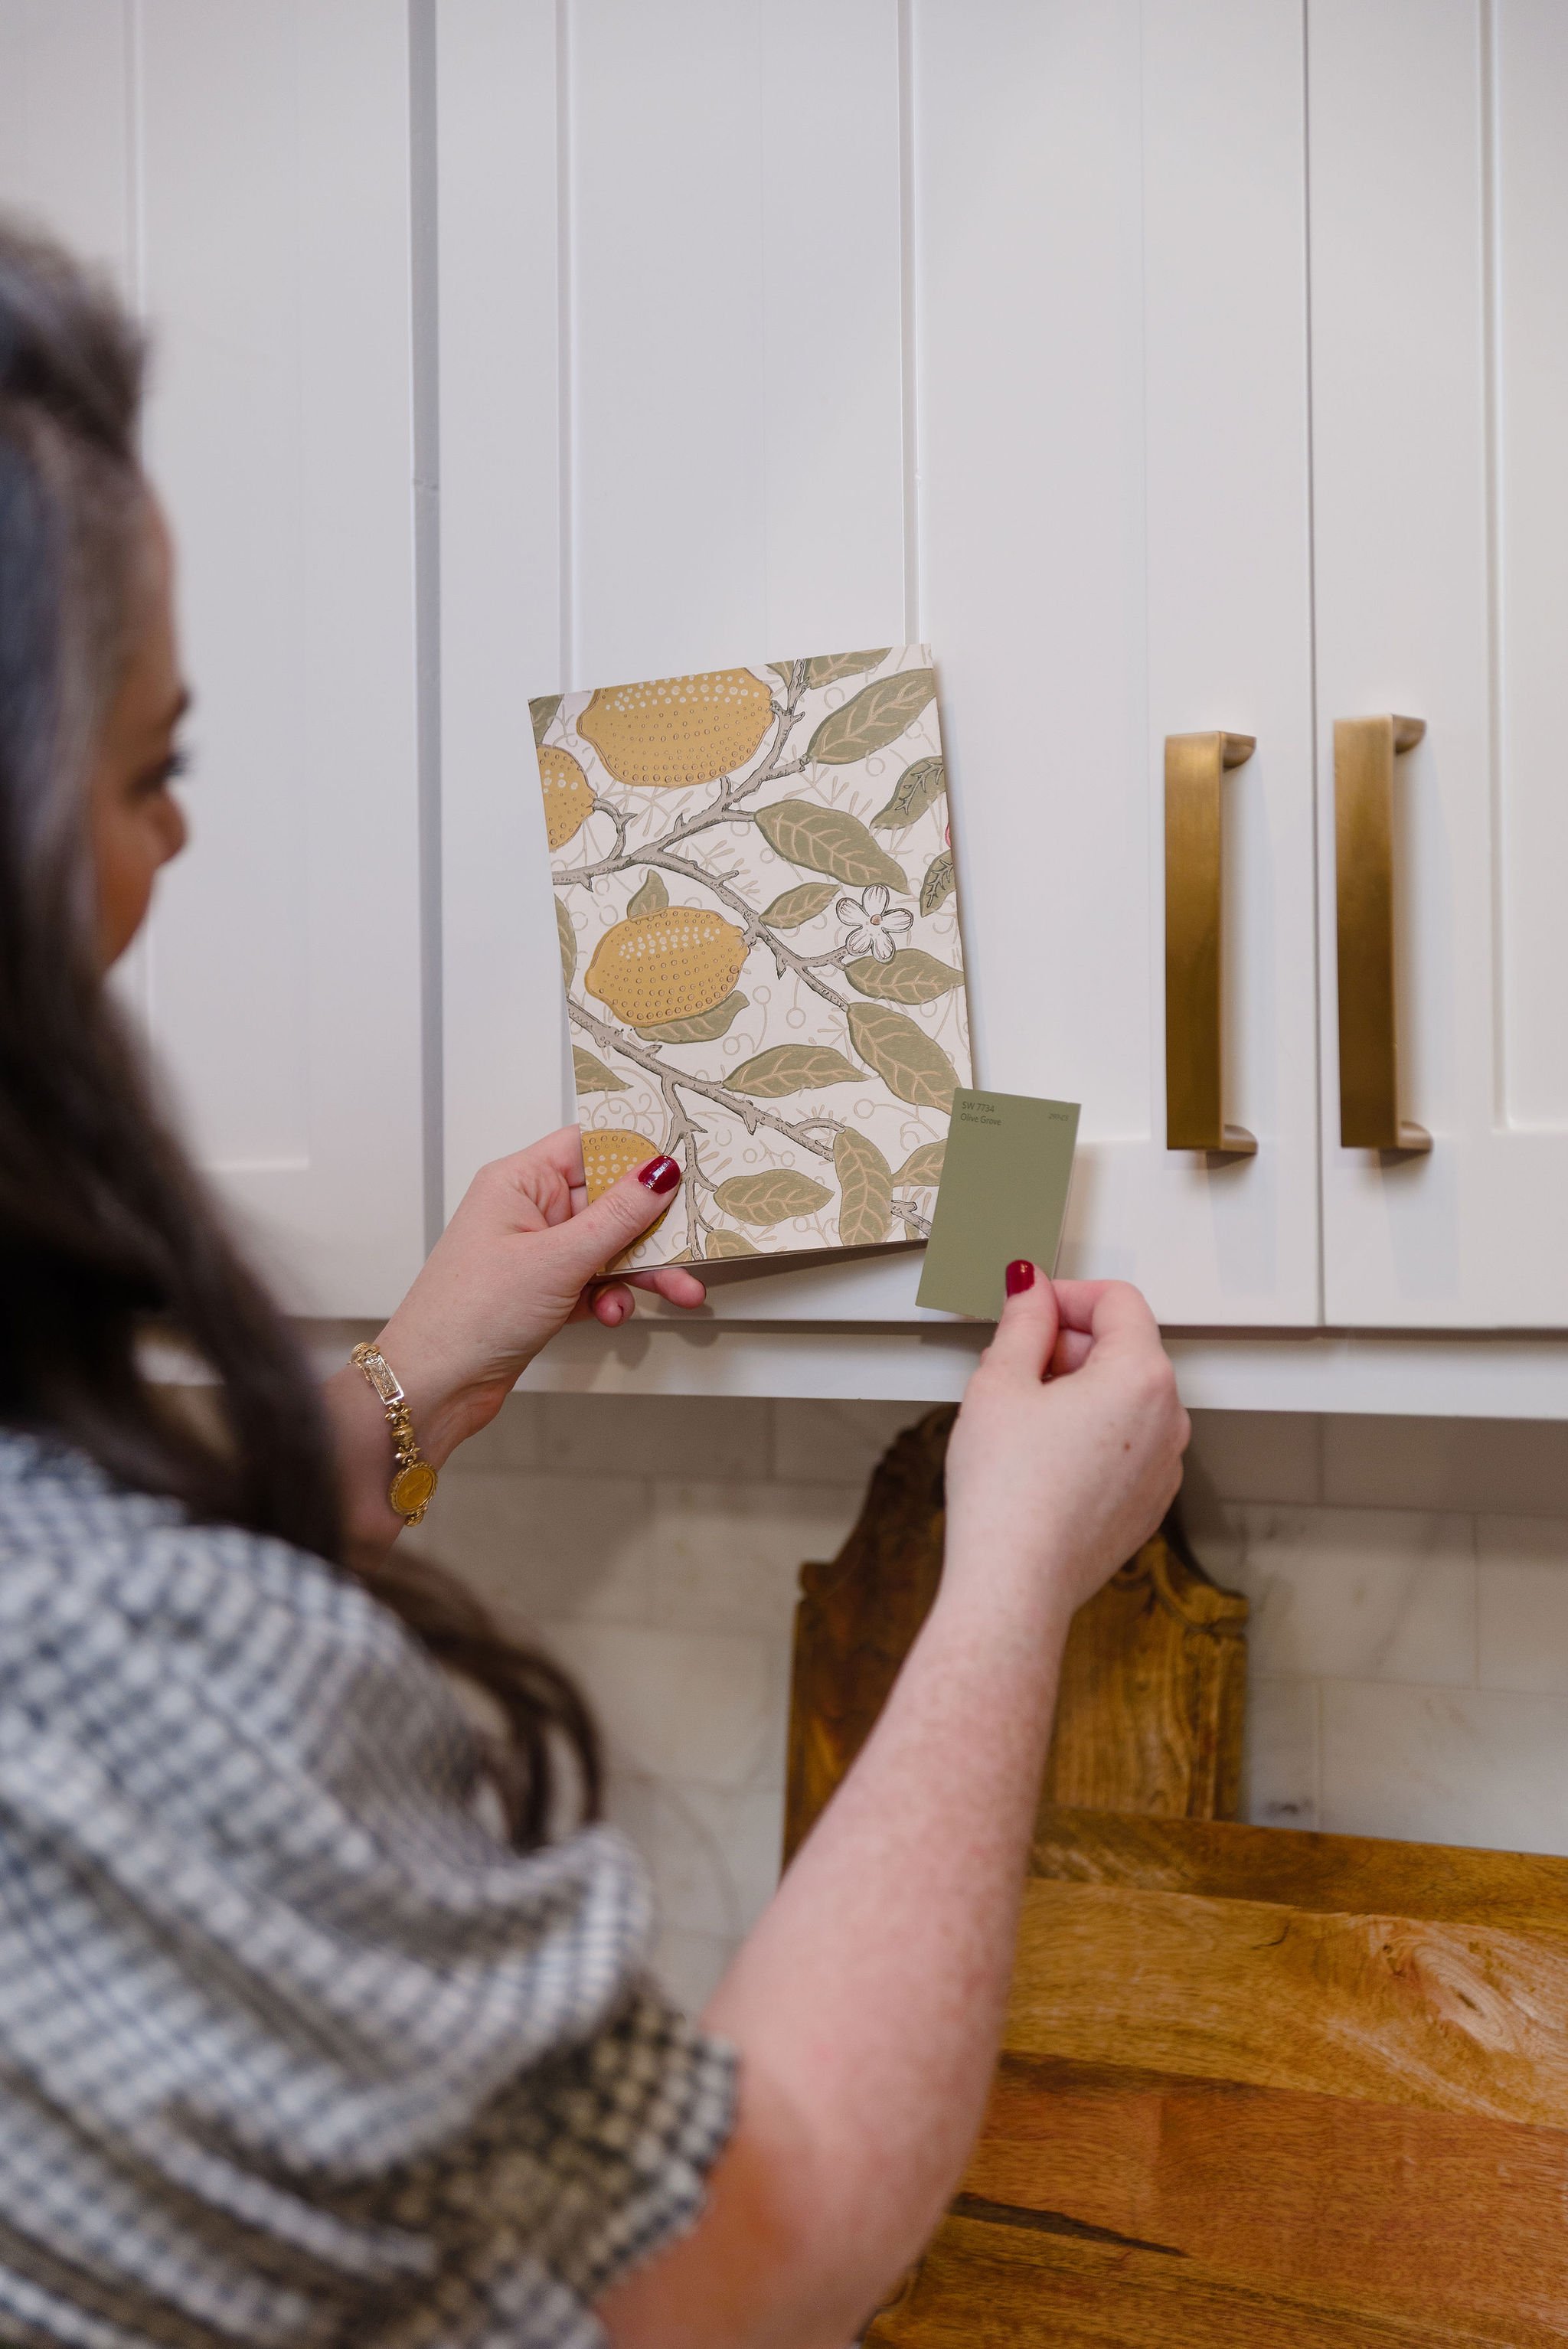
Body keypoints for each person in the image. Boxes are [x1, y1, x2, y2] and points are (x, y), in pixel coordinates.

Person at [0, 220, 1189, 2349]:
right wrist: (1014, 1571)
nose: (173, 852)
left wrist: (416, 1373)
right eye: (152, 770)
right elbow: (753, 2248)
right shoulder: (132, 1678)